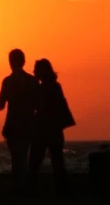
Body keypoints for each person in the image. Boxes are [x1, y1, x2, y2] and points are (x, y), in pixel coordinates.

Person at [29, 58, 75, 195]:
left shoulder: (44, 88)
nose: (35, 72)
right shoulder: (55, 86)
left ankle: (33, 187)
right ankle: (62, 189)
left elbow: (37, 106)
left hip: (44, 128)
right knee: (57, 160)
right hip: (54, 128)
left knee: (36, 160)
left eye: (36, 69)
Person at [0, 48, 41, 189]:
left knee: (16, 157)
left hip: (13, 124)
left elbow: (0, 105)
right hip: (29, 123)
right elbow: (38, 103)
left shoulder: (7, 81)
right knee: (23, 155)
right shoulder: (33, 81)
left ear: (10, 62)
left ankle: (19, 184)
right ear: (23, 62)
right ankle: (24, 184)